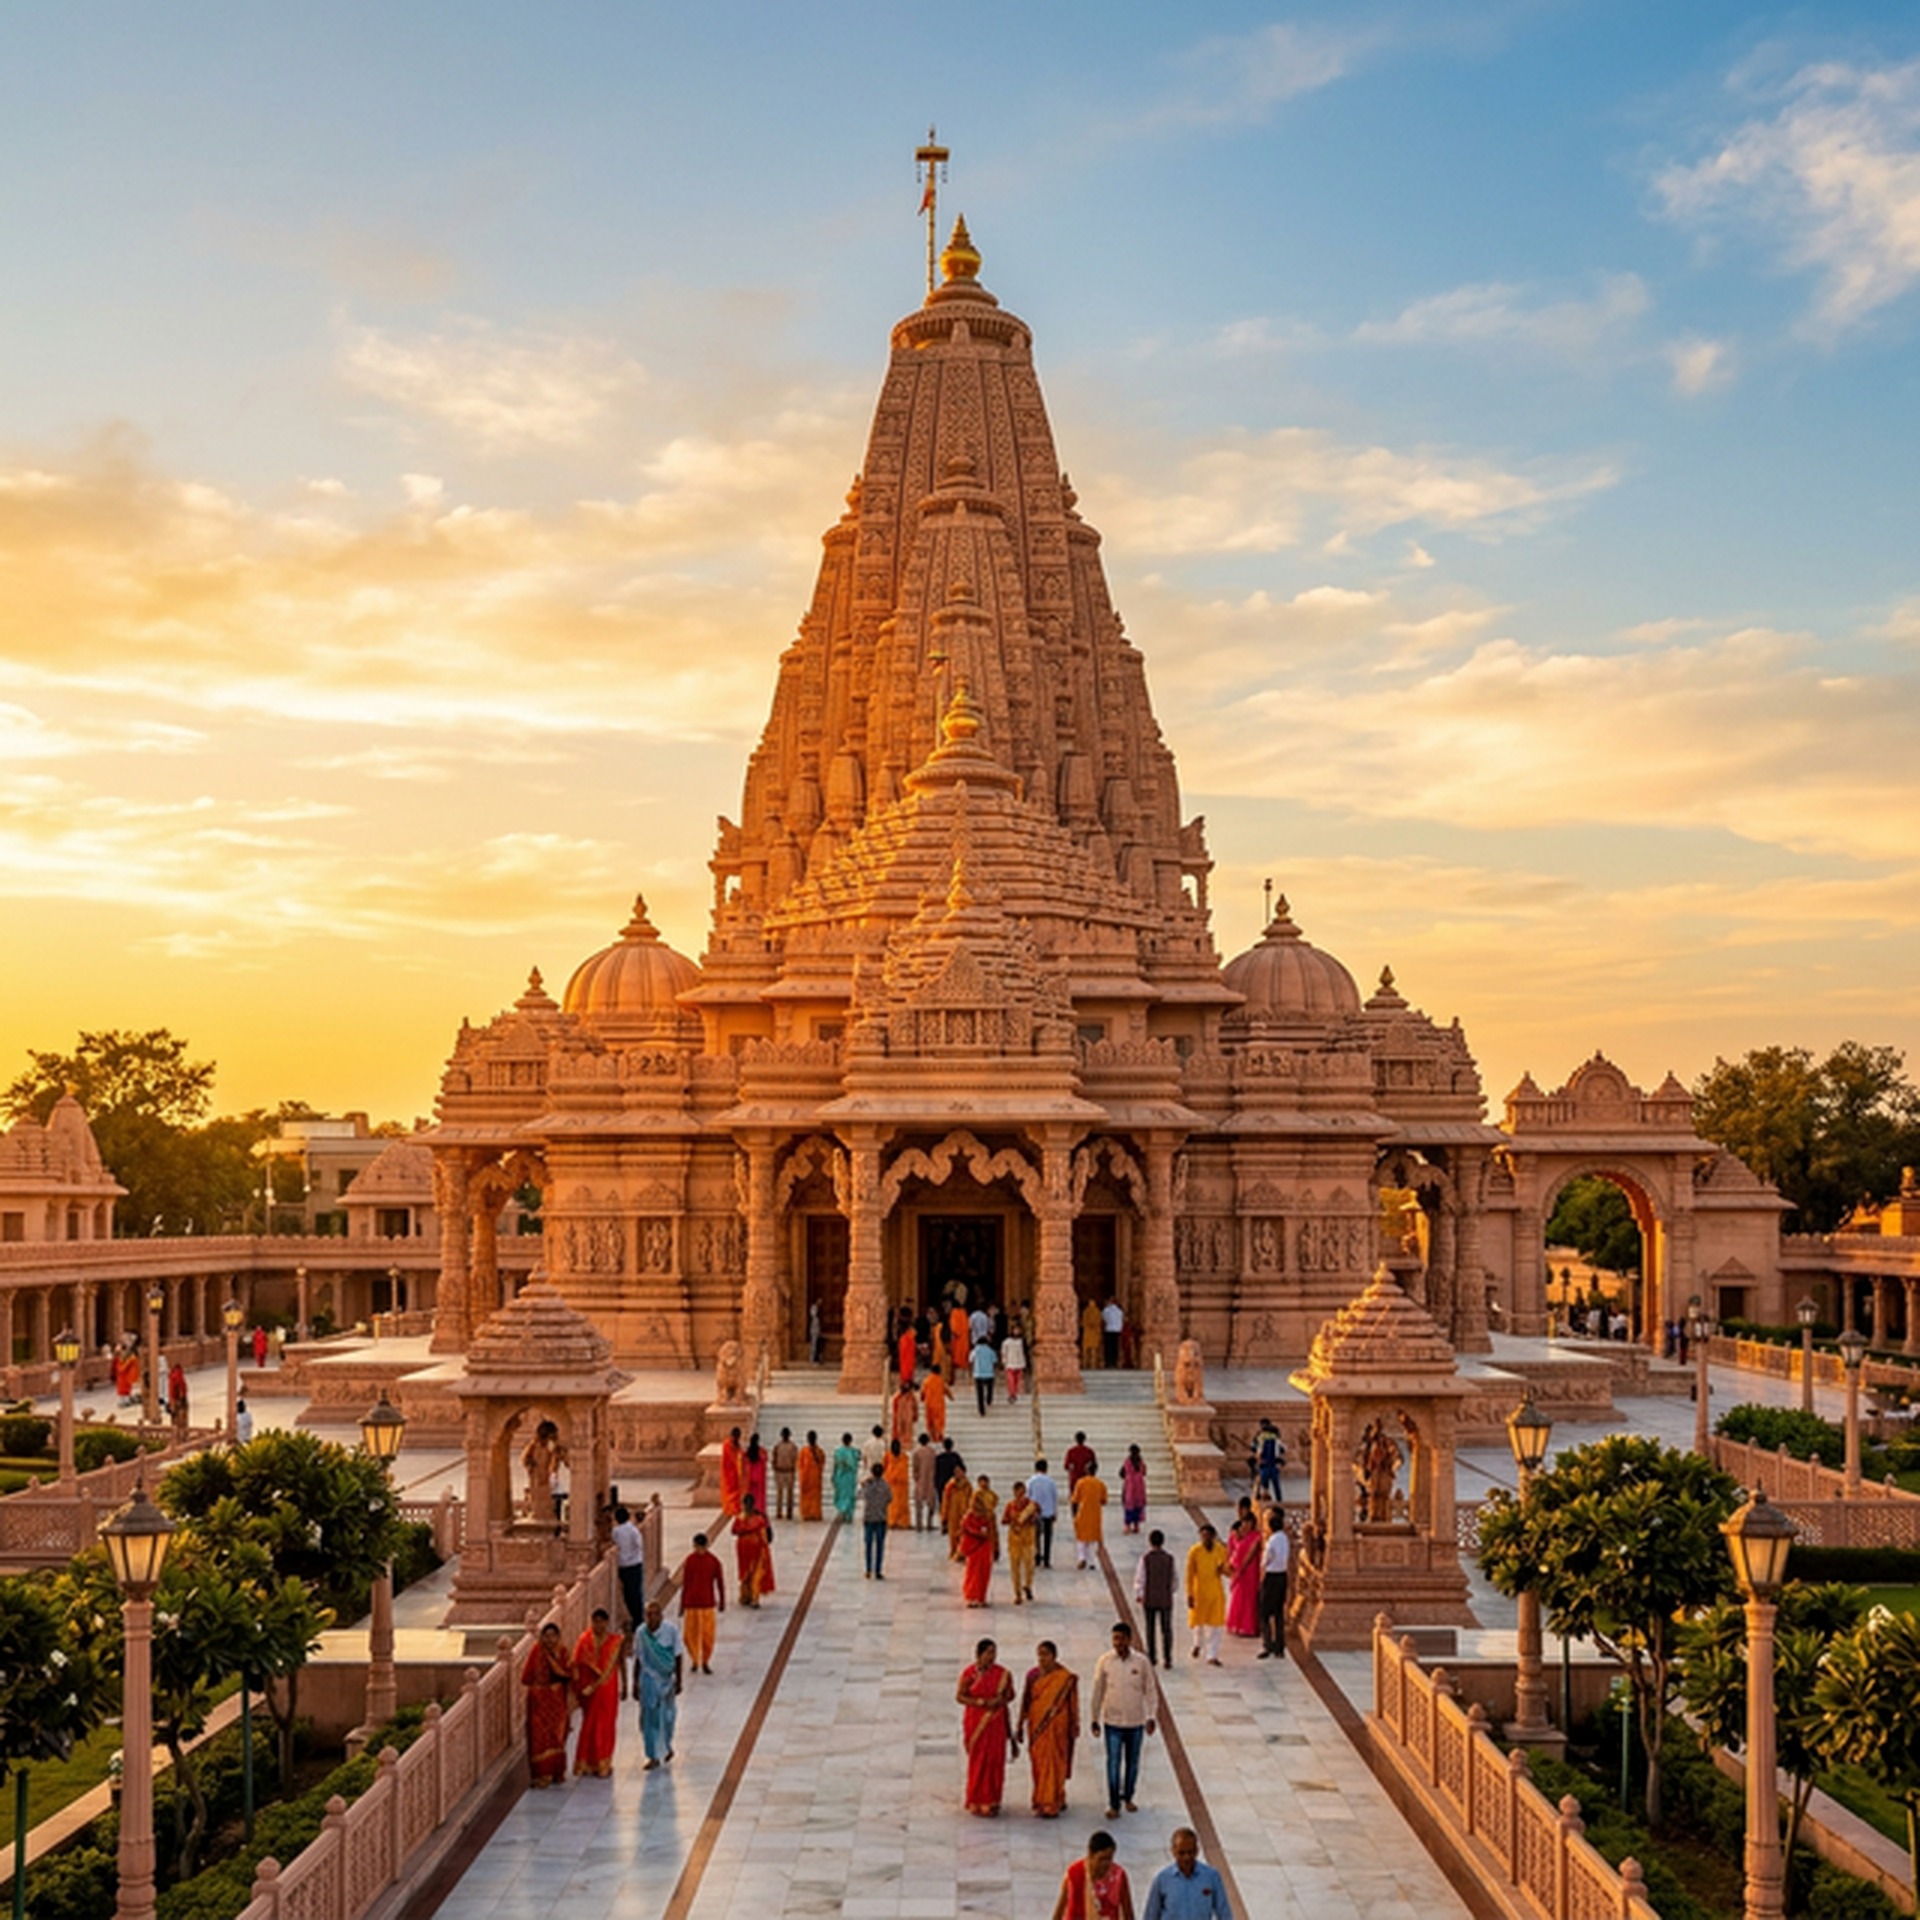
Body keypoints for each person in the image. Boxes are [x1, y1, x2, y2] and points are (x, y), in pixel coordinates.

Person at [1089, 1622, 1158, 1819]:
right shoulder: (1105, 1661)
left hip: (1135, 1722)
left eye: (1121, 1639)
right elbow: (1098, 1690)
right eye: (1115, 1639)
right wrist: (1094, 1718)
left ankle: (1128, 1796)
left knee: (1133, 1762)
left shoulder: (1141, 1662)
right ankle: (1113, 1803)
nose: (1118, 1643)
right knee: (1113, 1763)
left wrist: (1152, 1716)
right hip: (1112, 1722)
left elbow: (1150, 1690)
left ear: (1129, 1639)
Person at [956, 1637, 1017, 1817]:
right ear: (979, 1654)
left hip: (996, 1723)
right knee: (978, 1762)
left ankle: (992, 1800)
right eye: (988, 1653)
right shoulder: (969, 1674)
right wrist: (980, 1702)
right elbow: (960, 1696)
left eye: (994, 1653)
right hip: (976, 1723)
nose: (991, 1657)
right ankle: (976, 1799)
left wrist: (999, 1701)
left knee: (994, 1762)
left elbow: (1010, 1695)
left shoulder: (1003, 1674)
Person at [1019, 1640, 1080, 1819]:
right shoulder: (1033, 1675)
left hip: (1058, 1728)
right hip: (1037, 1726)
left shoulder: (1065, 1678)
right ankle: (1041, 1799)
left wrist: (1074, 1724)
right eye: (1040, 1654)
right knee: (1040, 1765)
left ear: (1054, 1656)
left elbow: (1073, 1703)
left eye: (1046, 1654)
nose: (1042, 1658)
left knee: (1056, 1763)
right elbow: (1026, 1700)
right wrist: (1019, 1724)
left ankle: (1054, 1800)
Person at [570, 1607, 624, 1777]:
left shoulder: (615, 1641)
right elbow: (576, 1664)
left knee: (604, 1726)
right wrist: (579, 1688)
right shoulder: (584, 1640)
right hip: (588, 1692)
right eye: (595, 1622)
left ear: (607, 1623)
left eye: (601, 1622)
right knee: (589, 1725)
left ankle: (603, 1765)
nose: (598, 1625)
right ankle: (585, 1764)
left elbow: (615, 1666)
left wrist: (626, 1684)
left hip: (606, 1688)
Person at [521, 1621, 573, 1788]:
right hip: (538, 1703)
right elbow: (526, 1678)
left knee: (556, 1736)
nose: (550, 1640)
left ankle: (556, 1772)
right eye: (546, 1636)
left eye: (553, 1636)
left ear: (558, 1637)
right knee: (538, 1738)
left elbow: (570, 1673)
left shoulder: (563, 1652)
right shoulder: (536, 1652)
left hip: (556, 1702)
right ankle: (541, 1775)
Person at [1140, 1827, 1233, 1918]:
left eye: (1190, 1852)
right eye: (1181, 1853)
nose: (1186, 1857)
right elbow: (1150, 1915)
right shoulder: (1162, 1879)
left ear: (1197, 1850)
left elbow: (1224, 1913)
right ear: (1173, 1851)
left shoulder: (1212, 1877)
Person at [634, 1597, 683, 1770]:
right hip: (648, 1680)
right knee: (649, 1718)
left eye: (655, 1614)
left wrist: (679, 1681)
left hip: (666, 1680)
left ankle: (667, 1747)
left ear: (661, 1616)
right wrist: (635, 1683)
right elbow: (639, 1659)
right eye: (648, 1615)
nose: (652, 1618)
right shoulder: (641, 1633)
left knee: (668, 1717)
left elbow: (677, 1655)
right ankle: (653, 1755)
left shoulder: (671, 1630)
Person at [1051, 1830, 1135, 1920]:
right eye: (1101, 1859)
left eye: (1109, 1859)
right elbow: (1060, 1909)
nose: (1106, 1864)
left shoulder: (1119, 1876)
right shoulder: (1074, 1874)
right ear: (1090, 1855)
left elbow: (1128, 1912)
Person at [678, 1533, 726, 1675]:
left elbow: (720, 1583)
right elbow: (686, 1583)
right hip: (692, 1603)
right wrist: (682, 1604)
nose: (697, 1550)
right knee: (689, 1636)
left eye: (699, 1547)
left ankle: (705, 1660)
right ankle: (694, 1659)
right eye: (696, 1547)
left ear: (705, 1546)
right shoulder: (690, 1560)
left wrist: (722, 1600)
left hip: (707, 1603)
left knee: (707, 1635)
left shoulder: (714, 1561)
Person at [1186, 1524, 1229, 1666]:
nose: (1205, 1539)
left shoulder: (1220, 1550)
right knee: (1198, 1622)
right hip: (1200, 1592)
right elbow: (1190, 1574)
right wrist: (1189, 1593)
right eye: (1202, 1536)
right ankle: (1197, 1644)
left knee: (1216, 1625)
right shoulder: (1195, 1551)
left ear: (1213, 1536)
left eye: (1208, 1536)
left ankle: (1212, 1655)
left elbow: (1227, 1570)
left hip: (1215, 1592)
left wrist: (1224, 1569)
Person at [1133, 1531, 1177, 1670]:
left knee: (1150, 1628)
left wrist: (1139, 1594)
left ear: (1150, 1542)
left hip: (1150, 1597)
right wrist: (1168, 1591)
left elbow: (1141, 1578)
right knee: (1166, 1629)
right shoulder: (1169, 1559)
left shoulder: (1145, 1559)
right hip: (1165, 1598)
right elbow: (1174, 1580)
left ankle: (1152, 1657)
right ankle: (1167, 1658)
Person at [960, 1478, 1000, 1606]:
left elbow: (993, 1531)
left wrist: (995, 1546)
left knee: (984, 1573)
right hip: (974, 1547)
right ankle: (971, 1596)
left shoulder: (988, 1516)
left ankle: (981, 1597)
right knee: (973, 1573)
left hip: (984, 1547)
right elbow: (965, 1528)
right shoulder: (969, 1516)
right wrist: (977, 1533)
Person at [1257, 1511, 1291, 1661]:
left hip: (1271, 1577)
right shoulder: (1284, 1539)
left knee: (1264, 1613)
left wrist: (1261, 1578)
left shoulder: (1271, 1541)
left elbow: (1266, 1560)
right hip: (1282, 1576)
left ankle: (1267, 1644)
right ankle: (1279, 1647)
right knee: (1278, 1613)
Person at [1224, 1511, 1261, 1640]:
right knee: (1238, 1598)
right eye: (1244, 1522)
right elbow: (1232, 1551)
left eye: (1248, 1522)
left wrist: (1242, 1568)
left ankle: (1248, 1627)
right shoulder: (1239, 1535)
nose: (1246, 1525)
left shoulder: (1256, 1537)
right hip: (1238, 1571)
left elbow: (1250, 1554)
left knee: (1249, 1600)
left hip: (1249, 1571)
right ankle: (1237, 1625)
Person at [734, 1493, 775, 1606]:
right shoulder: (759, 1518)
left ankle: (749, 1596)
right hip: (752, 1549)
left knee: (748, 1573)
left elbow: (734, 1531)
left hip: (746, 1549)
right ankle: (751, 1597)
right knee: (752, 1573)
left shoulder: (741, 1518)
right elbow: (765, 1536)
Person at [612, 1503, 647, 1628]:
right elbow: (639, 1545)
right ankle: (638, 1618)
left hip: (624, 1565)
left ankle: (636, 1618)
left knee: (628, 1594)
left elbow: (614, 1543)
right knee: (636, 1593)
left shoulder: (616, 1531)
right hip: (635, 1563)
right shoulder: (633, 1530)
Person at [1003, 1479, 1038, 1603]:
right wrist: (1012, 1520)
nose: (1020, 1495)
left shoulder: (1031, 1505)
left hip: (1028, 1538)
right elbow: (1004, 1520)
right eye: (1017, 1493)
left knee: (1029, 1566)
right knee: (1015, 1567)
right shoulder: (1010, 1506)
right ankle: (1017, 1593)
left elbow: (1036, 1518)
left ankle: (1027, 1585)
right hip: (1014, 1539)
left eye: (1022, 1493)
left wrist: (1030, 1518)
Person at [1072, 1461, 1108, 1570]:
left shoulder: (1081, 1483)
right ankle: (1091, 1562)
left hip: (1083, 1512)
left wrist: (1074, 1515)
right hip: (1095, 1513)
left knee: (1081, 1538)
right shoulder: (1100, 1484)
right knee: (1093, 1540)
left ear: (1086, 1470)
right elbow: (1104, 1501)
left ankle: (1082, 1558)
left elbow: (1075, 1499)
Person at [860, 1460, 893, 1578]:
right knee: (880, 1545)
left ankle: (868, 1569)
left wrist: (864, 1483)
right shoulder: (886, 1486)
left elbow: (861, 1495)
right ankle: (878, 1570)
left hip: (869, 1518)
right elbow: (890, 1499)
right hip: (881, 1518)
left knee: (868, 1545)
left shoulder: (868, 1485)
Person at [1028, 1459, 1060, 1569]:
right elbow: (1054, 1497)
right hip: (1048, 1512)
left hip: (1035, 1512)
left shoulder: (1031, 1481)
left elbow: (1028, 1496)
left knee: (1035, 1536)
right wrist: (1055, 1511)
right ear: (1046, 1469)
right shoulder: (1051, 1482)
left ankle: (1037, 1557)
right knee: (1047, 1537)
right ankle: (1046, 1559)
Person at [942, 1464, 975, 1561]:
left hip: (964, 1514)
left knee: (964, 1534)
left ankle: (963, 1553)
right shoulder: (950, 1486)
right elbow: (945, 1501)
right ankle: (954, 1551)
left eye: (959, 1472)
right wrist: (944, 1517)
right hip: (953, 1514)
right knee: (953, 1535)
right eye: (956, 1472)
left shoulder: (968, 1486)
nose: (958, 1474)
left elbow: (971, 1500)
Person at [1251, 1419, 1285, 1503]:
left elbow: (1258, 1451)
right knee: (1276, 1486)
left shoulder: (1261, 1438)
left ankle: (1261, 1502)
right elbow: (1282, 1449)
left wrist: (1257, 1457)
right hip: (1273, 1465)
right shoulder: (1276, 1439)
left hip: (1265, 1466)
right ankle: (1279, 1502)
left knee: (1263, 1486)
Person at [831, 1431, 861, 1521]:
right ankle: (848, 1515)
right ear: (850, 1441)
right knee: (849, 1495)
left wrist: (833, 1475)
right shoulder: (854, 1452)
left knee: (842, 1494)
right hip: (850, 1477)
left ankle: (842, 1512)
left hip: (840, 1476)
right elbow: (858, 1460)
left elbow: (835, 1465)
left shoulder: (838, 1452)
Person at [912, 1432, 939, 1530]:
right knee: (931, 1503)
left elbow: (915, 1467)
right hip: (930, 1480)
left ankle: (919, 1525)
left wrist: (915, 1477)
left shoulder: (917, 1453)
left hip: (920, 1480)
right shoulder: (932, 1452)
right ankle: (929, 1523)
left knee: (918, 1504)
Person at [1120, 1445, 1148, 1535]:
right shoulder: (1141, 1462)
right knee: (1138, 1505)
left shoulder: (1127, 1462)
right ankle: (1136, 1525)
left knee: (1129, 1505)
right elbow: (1144, 1472)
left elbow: (1122, 1473)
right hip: (1139, 1485)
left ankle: (1127, 1526)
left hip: (1130, 1485)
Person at [772, 1428, 799, 1520]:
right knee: (779, 1493)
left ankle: (789, 1512)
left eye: (786, 1434)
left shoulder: (793, 1446)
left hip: (789, 1471)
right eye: (784, 1434)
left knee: (790, 1493)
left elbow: (796, 1459)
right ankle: (779, 1512)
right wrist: (775, 1467)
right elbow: (774, 1458)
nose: (785, 1436)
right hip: (780, 1471)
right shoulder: (777, 1446)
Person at [798, 1430, 825, 1521]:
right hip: (806, 1477)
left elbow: (822, 1462)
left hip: (815, 1478)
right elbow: (800, 1464)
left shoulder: (819, 1451)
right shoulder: (804, 1451)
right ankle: (806, 1513)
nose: (811, 1440)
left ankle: (815, 1513)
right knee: (806, 1497)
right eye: (810, 1438)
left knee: (815, 1497)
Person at [719, 1425, 745, 1518]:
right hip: (728, 1472)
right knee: (729, 1492)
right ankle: (729, 1508)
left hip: (736, 1473)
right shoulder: (727, 1444)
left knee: (736, 1492)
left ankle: (735, 1507)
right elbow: (731, 1458)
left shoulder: (738, 1445)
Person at [885, 1437, 912, 1529]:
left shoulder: (904, 1457)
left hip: (901, 1485)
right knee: (892, 1505)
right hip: (892, 1484)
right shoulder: (888, 1456)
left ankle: (902, 1522)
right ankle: (892, 1521)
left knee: (901, 1505)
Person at [971, 1332, 998, 1416]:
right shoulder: (990, 1350)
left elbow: (971, 1359)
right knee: (990, 1388)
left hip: (978, 1373)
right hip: (989, 1373)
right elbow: (995, 1361)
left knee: (980, 1392)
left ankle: (981, 1410)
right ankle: (989, 1399)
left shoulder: (975, 1350)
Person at [922, 1363, 949, 1441]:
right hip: (938, 1404)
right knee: (939, 1420)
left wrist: (922, 1398)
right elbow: (946, 1390)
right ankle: (939, 1435)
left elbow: (923, 1392)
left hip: (929, 1404)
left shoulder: (927, 1380)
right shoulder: (940, 1380)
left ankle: (931, 1435)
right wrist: (951, 1397)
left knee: (930, 1420)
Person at [890, 1377, 919, 1448]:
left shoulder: (911, 1398)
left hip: (905, 1423)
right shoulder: (899, 1399)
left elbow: (915, 1409)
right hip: (902, 1423)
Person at [745, 1432, 768, 1517]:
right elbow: (765, 1458)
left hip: (750, 1475)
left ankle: (750, 1508)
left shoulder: (748, 1451)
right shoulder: (761, 1451)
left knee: (751, 1493)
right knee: (759, 1494)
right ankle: (759, 1508)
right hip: (759, 1476)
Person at [1003, 1324, 1027, 1403]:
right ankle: (1011, 1394)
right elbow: (1004, 1352)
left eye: (1018, 1330)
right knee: (1011, 1380)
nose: (1016, 1331)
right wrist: (1004, 1361)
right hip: (1010, 1363)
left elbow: (1023, 1352)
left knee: (1017, 1380)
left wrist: (1024, 1363)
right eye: (1015, 1330)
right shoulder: (1007, 1342)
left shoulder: (1021, 1341)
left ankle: (1014, 1394)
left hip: (1019, 1363)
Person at [1102, 1297, 1125, 1370]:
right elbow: (1121, 1320)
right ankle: (1115, 1362)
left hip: (1109, 1330)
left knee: (1108, 1347)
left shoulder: (1106, 1310)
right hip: (1117, 1331)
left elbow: (1104, 1319)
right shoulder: (1119, 1311)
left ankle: (1108, 1362)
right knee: (1115, 1347)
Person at [1081, 1298, 1103, 1371]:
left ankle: (1086, 1364)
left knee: (1087, 1350)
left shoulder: (1086, 1311)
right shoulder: (1097, 1312)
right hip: (1093, 1333)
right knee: (1093, 1350)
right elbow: (1099, 1322)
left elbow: (1083, 1322)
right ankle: (1093, 1364)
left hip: (1088, 1333)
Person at [898, 1318, 917, 1387]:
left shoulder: (908, 1339)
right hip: (907, 1370)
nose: (915, 1331)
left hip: (908, 1369)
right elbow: (905, 1356)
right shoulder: (906, 1339)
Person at [808, 1298, 823, 1365]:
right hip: (814, 1331)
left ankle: (816, 1359)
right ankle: (812, 1359)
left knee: (817, 1346)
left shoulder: (818, 1319)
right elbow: (813, 1314)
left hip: (817, 1331)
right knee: (814, 1345)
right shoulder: (815, 1317)